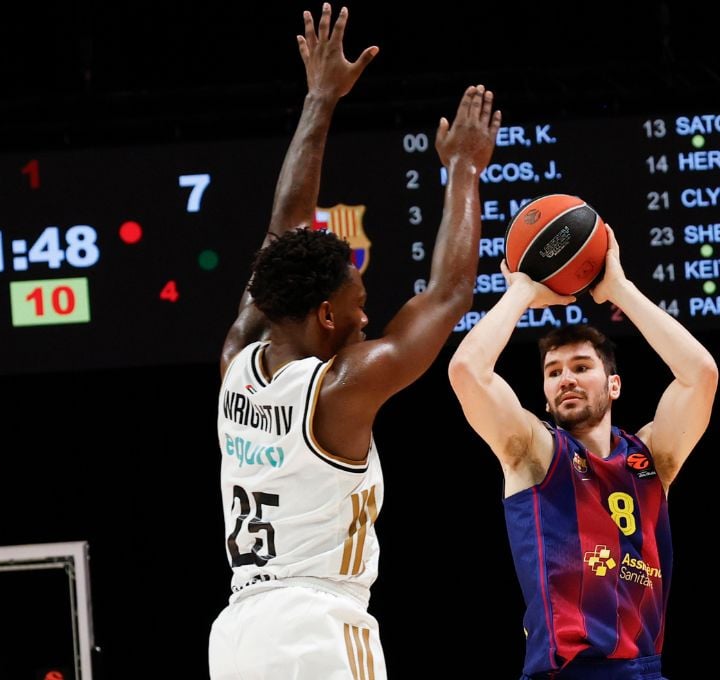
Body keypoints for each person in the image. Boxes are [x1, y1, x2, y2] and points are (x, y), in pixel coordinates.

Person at [208, 4, 501, 679]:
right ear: (326, 315)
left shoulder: (236, 360)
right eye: (359, 306)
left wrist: (320, 100)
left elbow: (281, 230)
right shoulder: (339, 387)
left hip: (237, 635)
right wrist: (464, 167)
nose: (367, 320)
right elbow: (449, 295)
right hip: (315, 626)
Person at [447, 226, 719, 679]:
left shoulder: (652, 457)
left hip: (643, 669)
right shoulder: (534, 453)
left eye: (581, 366)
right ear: (545, 395)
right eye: (553, 372)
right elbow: (467, 371)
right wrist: (521, 292)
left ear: (614, 385)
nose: (566, 379)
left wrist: (620, 290)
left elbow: (701, 374)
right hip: (567, 672)